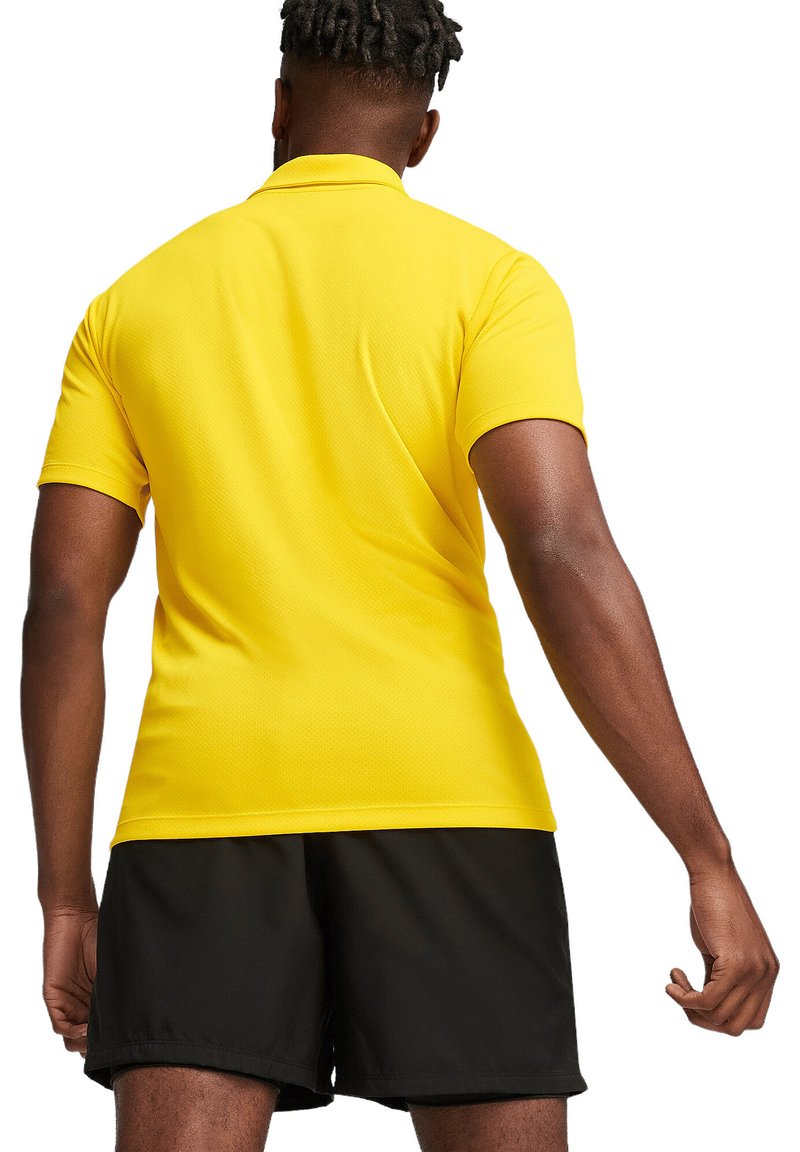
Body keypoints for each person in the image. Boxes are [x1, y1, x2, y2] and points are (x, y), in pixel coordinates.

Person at [22, 2, 779, 1150]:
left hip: (201, 815)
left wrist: (65, 894)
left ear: (277, 106)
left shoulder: (130, 305)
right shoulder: (492, 285)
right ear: (423, 133)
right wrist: (703, 856)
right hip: (451, 804)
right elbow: (559, 547)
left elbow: (66, 604)